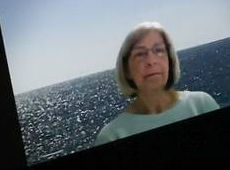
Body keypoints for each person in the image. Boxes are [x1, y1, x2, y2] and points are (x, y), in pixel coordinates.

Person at [91, 22, 219, 145]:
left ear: (170, 60)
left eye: (159, 50)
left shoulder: (201, 103)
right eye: (140, 54)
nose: (151, 61)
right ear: (126, 70)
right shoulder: (112, 136)